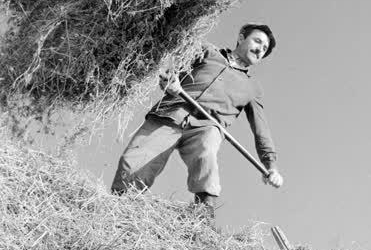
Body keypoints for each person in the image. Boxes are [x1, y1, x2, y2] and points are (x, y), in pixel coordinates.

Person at [111, 23, 283, 210]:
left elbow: (261, 129)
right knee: (133, 163)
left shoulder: (253, 88)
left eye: (264, 49)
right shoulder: (207, 52)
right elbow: (173, 58)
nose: (259, 50)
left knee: (206, 152)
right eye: (257, 41)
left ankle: (203, 216)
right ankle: (118, 210)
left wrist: (271, 165)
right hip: (171, 113)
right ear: (241, 38)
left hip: (207, 125)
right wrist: (170, 80)